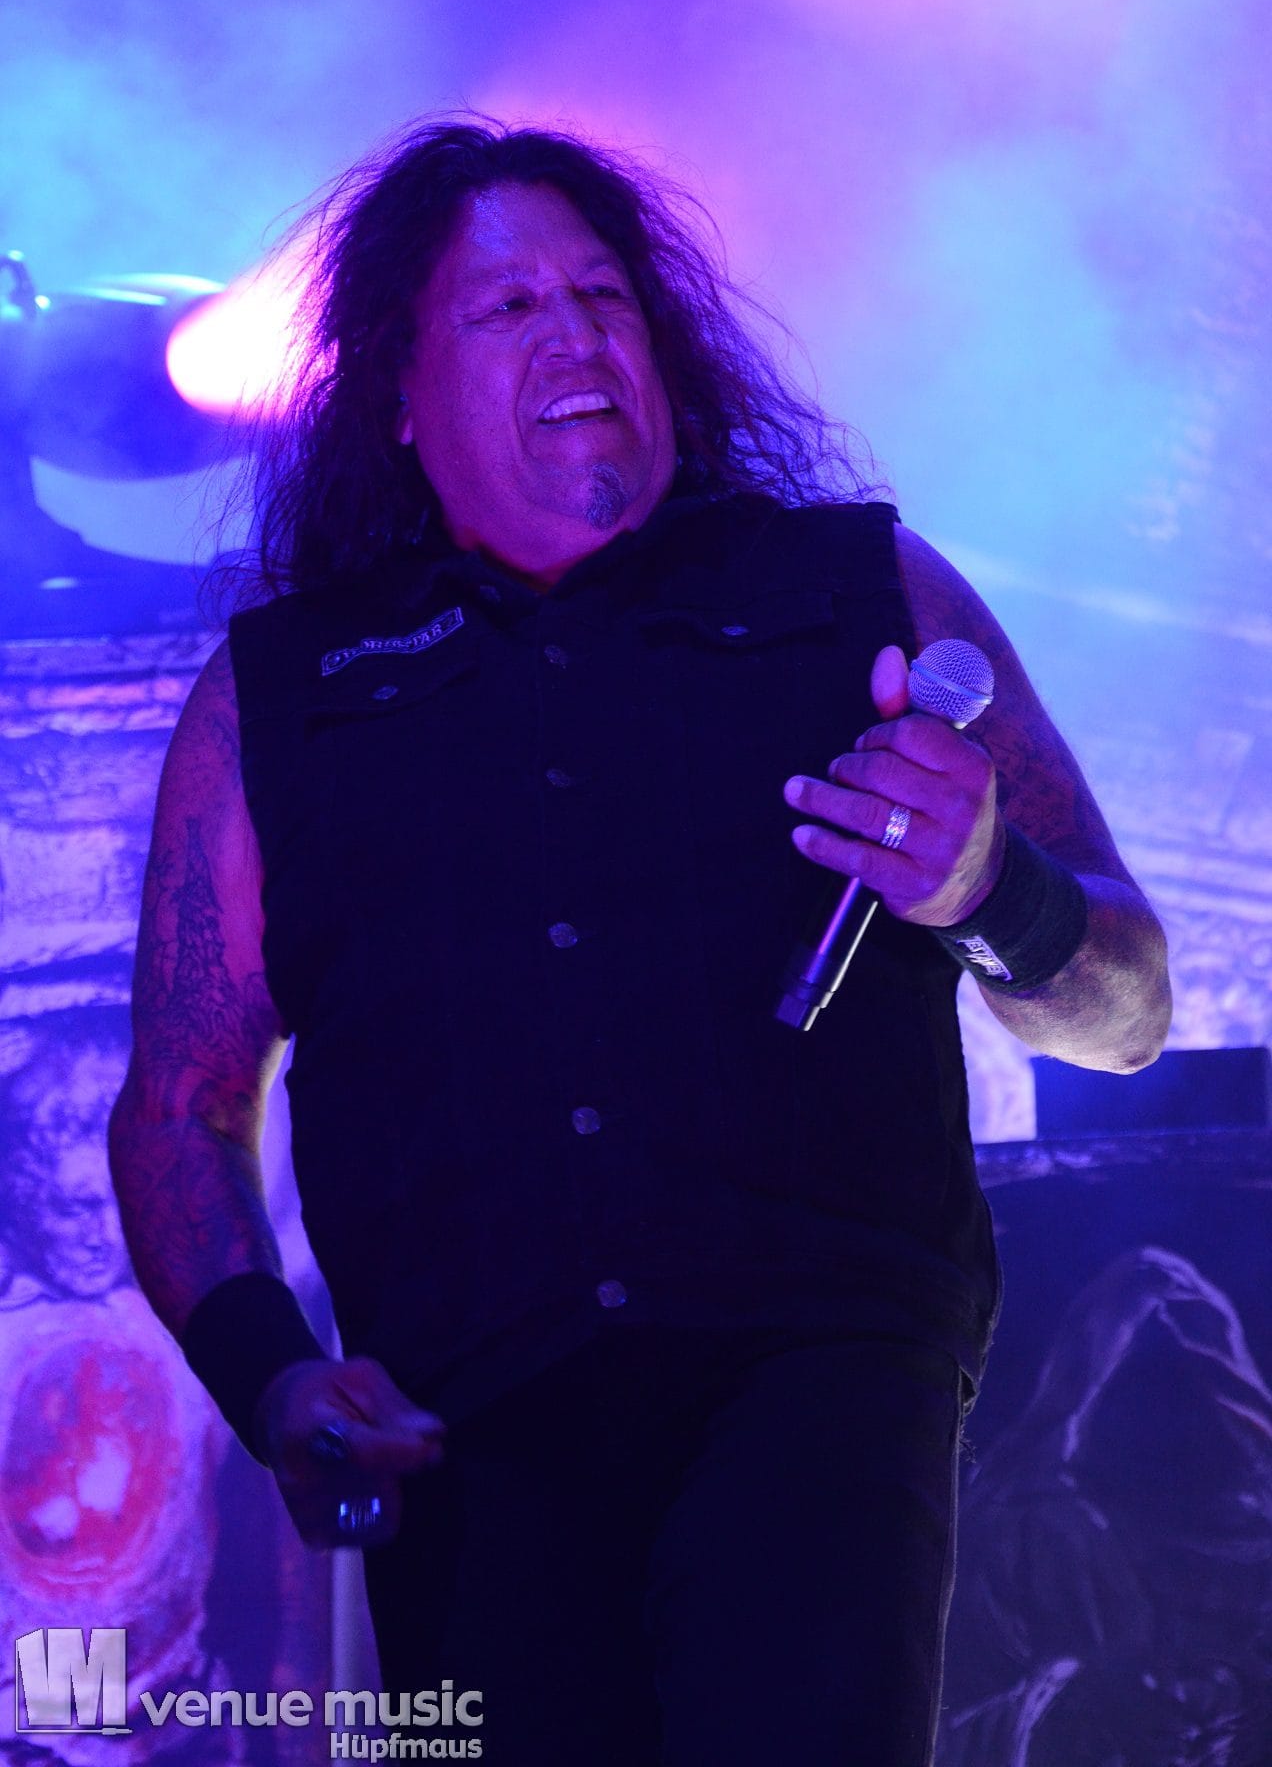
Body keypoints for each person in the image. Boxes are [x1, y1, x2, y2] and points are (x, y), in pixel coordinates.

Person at [108, 117, 1171, 1767]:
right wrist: (271, 1376)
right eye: (508, 306)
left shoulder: (860, 595)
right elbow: (183, 1097)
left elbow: (1131, 1009)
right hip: (470, 1427)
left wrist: (993, 890)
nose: (577, 332)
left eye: (605, 294)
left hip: (819, 1357)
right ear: (398, 396)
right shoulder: (281, 699)